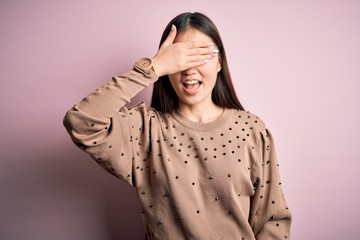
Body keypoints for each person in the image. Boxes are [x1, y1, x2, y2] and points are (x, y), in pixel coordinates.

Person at [64, 12, 292, 240]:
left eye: (201, 55)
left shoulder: (251, 130)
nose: (189, 69)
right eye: (181, 57)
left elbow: (273, 220)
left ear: (220, 62)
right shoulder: (145, 129)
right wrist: (152, 67)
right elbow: (81, 121)